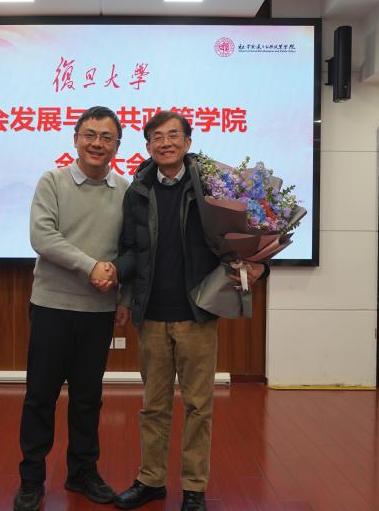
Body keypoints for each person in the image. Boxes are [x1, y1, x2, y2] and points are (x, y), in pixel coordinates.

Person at [112, 111, 266, 511]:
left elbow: (242, 236)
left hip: (197, 314)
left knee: (199, 406)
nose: (165, 143)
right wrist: (125, 299)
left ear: (188, 142)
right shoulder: (138, 191)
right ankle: (151, 480)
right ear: (148, 146)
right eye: (156, 137)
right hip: (152, 316)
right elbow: (129, 249)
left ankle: (194, 488)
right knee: (153, 406)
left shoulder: (212, 186)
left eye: (173, 135)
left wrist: (257, 264)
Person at [13, 106, 128, 511]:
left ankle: (82, 472)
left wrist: (124, 298)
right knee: (40, 397)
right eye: (90, 134)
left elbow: (132, 249)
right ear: (76, 138)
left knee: (87, 399)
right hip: (52, 307)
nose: (97, 143)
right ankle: (31, 479)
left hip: (98, 312)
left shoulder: (125, 190)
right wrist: (91, 266)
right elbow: (43, 237)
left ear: (117, 145)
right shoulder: (53, 181)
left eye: (107, 137)